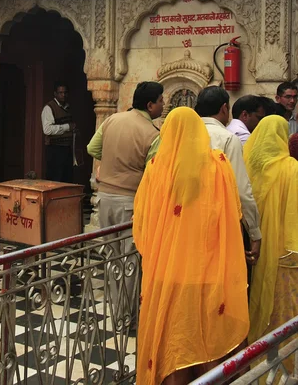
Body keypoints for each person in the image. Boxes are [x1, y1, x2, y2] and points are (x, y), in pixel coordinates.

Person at [133, 107, 249, 385]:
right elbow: (235, 213)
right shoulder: (218, 165)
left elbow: (142, 222)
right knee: (207, 338)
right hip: (208, 271)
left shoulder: (155, 170)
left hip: (167, 275)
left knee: (174, 339)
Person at [87, 81, 164, 319]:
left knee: (111, 255)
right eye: (161, 100)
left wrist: (112, 162)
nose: (164, 104)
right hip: (130, 202)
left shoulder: (112, 120)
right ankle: (126, 315)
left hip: (104, 198)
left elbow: (93, 148)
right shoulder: (152, 133)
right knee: (130, 258)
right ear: (150, 105)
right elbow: (154, 172)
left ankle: (116, 309)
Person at [243, 116, 298, 349]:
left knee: (257, 295)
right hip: (286, 251)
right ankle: (284, 361)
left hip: (253, 246)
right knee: (284, 305)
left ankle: (257, 352)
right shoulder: (291, 168)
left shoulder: (247, 165)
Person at [195, 86, 261, 266]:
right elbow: (241, 189)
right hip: (219, 222)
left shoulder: (182, 134)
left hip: (184, 221)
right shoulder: (227, 139)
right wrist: (254, 233)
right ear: (224, 108)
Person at [41, 82, 76, 183]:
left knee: (66, 178)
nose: (63, 95)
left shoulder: (67, 107)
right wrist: (67, 127)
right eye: (60, 93)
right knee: (55, 179)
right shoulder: (49, 108)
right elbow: (47, 129)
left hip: (66, 148)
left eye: (65, 92)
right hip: (55, 149)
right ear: (55, 94)